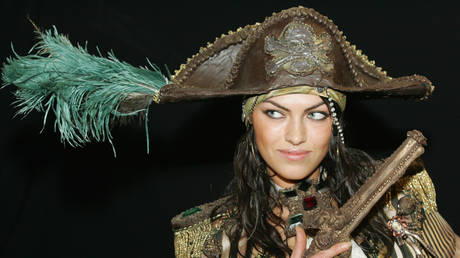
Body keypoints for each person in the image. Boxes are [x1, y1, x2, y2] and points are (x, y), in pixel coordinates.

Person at [1, 5, 457, 258]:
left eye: (316, 114)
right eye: (275, 113)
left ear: (335, 123)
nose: (296, 136)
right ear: (250, 121)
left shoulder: (400, 194)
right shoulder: (209, 239)